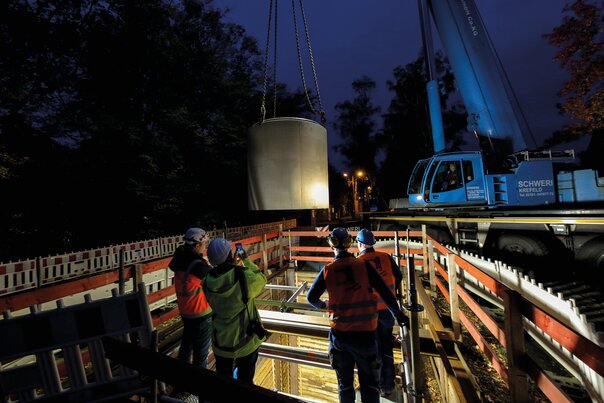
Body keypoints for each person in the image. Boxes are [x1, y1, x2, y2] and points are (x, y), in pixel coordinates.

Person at [306, 227, 408, 403]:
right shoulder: (363, 266)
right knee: (369, 386)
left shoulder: (327, 270)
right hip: (365, 336)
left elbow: (311, 298)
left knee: (344, 386)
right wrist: (399, 315)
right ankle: (386, 386)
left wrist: (324, 305)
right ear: (349, 243)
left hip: (339, 337)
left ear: (331, 245)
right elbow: (386, 293)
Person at [203, 237, 268, 384]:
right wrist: (245, 260)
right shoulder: (243, 276)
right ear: (229, 255)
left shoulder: (207, 281)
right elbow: (261, 278)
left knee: (224, 385)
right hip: (246, 341)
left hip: (221, 342)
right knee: (245, 384)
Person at [355, 228, 404, 397]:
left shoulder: (359, 262)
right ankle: (388, 385)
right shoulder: (386, 257)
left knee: (372, 350)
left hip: (369, 313)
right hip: (388, 311)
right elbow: (399, 276)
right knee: (386, 347)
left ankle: (376, 386)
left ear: (360, 244)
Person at [168, 228, 213, 370]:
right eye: (205, 243)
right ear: (197, 245)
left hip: (186, 313)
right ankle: (197, 389)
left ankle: (182, 381)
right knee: (201, 355)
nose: (206, 246)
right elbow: (217, 280)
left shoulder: (180, 259)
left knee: (186, 349)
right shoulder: (198, 266)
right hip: (201, 313)